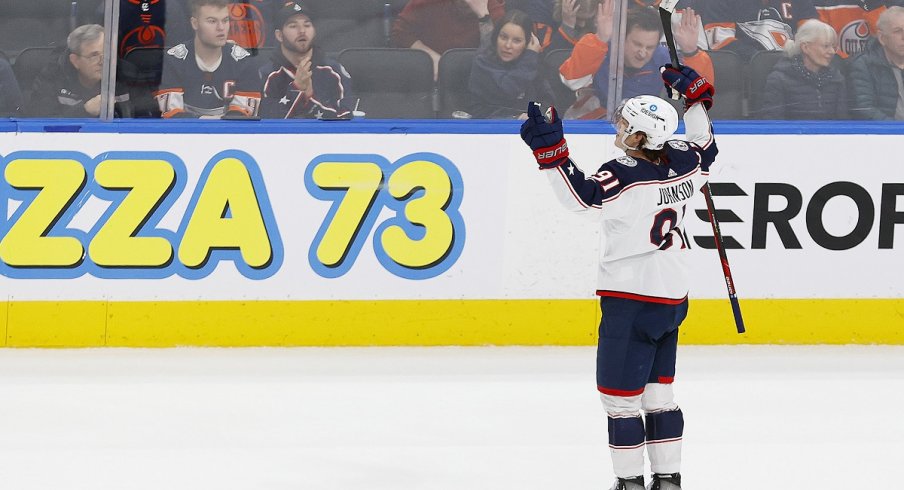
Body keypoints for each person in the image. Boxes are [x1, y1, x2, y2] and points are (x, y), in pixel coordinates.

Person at [519, 62, 717, 490]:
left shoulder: (624, 175)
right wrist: (696, 100)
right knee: (659, 397)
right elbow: (706, 144)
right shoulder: (685, 162)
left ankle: (629, 483)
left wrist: (553, 155)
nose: (619, 126)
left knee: (620, 403)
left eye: (627, 125)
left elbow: (582, 199)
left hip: (631, 302)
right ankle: (668, 481)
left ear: (643, 138)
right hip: (672, 298)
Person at [558, 1, 713, 119]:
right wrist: (600, 39)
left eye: (649, 47)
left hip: (645, 123)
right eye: (637, 44)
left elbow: (700, 96)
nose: (642, 52)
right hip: (593, 124)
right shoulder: (600, 50)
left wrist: (691, 53)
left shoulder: (663, 58)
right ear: (621, 39)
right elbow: (571, 81)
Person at [154, 0, 262, 118]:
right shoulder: (173, 60)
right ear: (195, 23)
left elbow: (242, 119)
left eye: (225, 20)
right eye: (212, 21)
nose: (221, 28)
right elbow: (172, 116)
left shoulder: (244, 61)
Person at [258, 1, 356, 119]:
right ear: (279, 35)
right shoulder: (266, 74)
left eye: (307, 25)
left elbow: (345, 119)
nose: (302, 31)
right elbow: (265, 124)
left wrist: (310, 97)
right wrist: (296, 89)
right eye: (293, 26)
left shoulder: (334, 71)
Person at [25, 24, 133, 118]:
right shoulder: (51, 78)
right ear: (75, 61)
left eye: (106, 54)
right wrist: (84, 111)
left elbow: (145, 114)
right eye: (94, 55)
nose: (102, 61)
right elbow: (39, 124)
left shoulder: (128, 74)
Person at [467, 9, 556, 118]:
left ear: (527, 43)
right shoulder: (482, 62)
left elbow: (548, 104)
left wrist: (536, 114)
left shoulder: (533, 62)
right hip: (488, 128)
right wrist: (515, 119)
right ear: (496, 37)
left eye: (516, 41)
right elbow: (507, 91)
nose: (508, 45)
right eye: (503, 37)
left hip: (527, 130)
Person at [390, 0, 506, 78]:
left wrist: (483, 16)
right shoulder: (429, 3)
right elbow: (400, 31)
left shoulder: (492, 6)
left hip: (473, 75)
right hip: (434, 75)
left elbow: (497, 52)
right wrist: (433, 59)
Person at [758, 19, 847, 119]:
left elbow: (843, 122)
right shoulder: (779, 79)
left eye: (833, 47)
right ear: (805, 47)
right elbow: (773, 124)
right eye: (826, 46)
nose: (832, 52)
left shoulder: (837, 79)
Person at [692, 0, 818, 61]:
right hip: (746, 74)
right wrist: (762, 61)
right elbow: (721, 43)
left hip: (794, 69)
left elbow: (813, 35)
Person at [850, 6, 904, 119]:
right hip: (884, 134)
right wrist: (895, 130)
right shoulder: (864, 65)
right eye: (898, 31)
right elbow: (864, 109)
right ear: (882, 38)